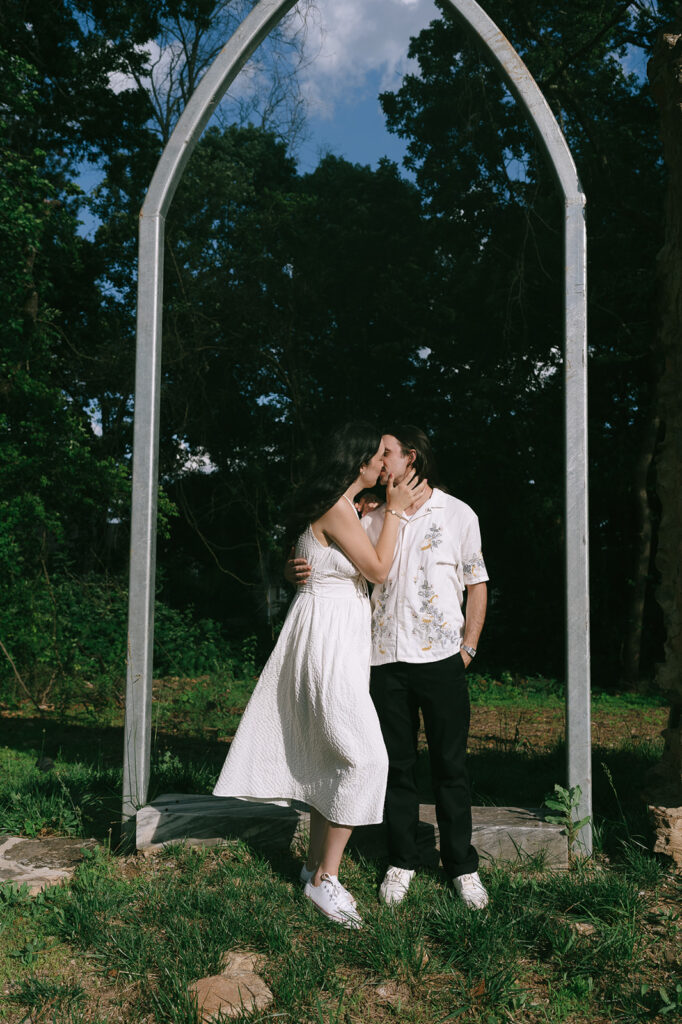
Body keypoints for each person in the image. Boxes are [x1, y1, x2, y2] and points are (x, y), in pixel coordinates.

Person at [213, 422, 426, 929]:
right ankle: (325, 880)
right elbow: (376, 570)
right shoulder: (336, 505)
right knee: (365, 756)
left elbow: (317, 559)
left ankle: (311, 866)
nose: (383, 464)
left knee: (334, 754)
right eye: (377, 456)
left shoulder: (344, 507)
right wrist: (395, 512)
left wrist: (374, 513)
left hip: (334, 635)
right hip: (326, 639)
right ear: (356, 460)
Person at [287, 426, 489, 909]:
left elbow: (476, 581)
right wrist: (293, 567)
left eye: (386, 454)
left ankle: (462, 867)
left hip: (441, 659)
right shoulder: (369, 514)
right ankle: (402, 861)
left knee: (450, 768)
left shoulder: (458, 513)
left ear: (410, 457)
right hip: (379, 660)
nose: (380, 462)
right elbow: (321, 555)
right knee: (396, 768)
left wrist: (468, 648)